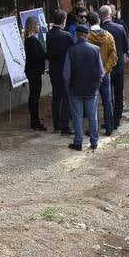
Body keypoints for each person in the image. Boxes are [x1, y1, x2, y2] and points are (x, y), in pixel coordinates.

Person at [63, 23, 104, 151]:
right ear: (87, 35)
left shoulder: (71, 50)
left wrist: (68, 87)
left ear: (76, 35)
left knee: (77, 117)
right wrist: (97, 85)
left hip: (76, 89)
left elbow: (66, 74)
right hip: (91, 89)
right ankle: (94, 142)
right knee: (92, 116)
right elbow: (101, 72)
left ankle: (78, 142)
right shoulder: (95, 49)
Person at [87, 10, 117, 137]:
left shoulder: (87, 38)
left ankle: (94, 129)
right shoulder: (109, 36)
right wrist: (105, 69)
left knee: (92, 103)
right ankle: (109, 128)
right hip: (106, 74)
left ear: (88, 22)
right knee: (107, 101)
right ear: (99, 21)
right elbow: (114, 56)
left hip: (92, 75)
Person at [100, 4, 128, 129]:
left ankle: (109, 121)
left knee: (107, 96)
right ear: (110, 14)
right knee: (118, 93)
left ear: (101, 16)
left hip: (106, 67)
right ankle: (117, 120)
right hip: (119, 65)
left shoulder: (100, 30)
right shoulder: (120, 28)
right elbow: (126, 47)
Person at [47, 9, 73, 135]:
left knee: (56, 97)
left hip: (53, 69)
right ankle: (65, 125)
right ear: (63, 21)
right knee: (66, 97)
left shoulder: (49, 34)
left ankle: (56, 124)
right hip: (64, 70)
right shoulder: (66, 35)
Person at [24, 16, 47, 131]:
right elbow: (36, 57)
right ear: (33, 26)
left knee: (34, 96)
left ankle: (35, 121)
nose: (39, 26)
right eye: (37, 24)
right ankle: (35, 121)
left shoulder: (30, 39)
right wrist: (46, 55)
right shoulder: (32, 40)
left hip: (32, 70)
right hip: (34, 71)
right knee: (34, 97)